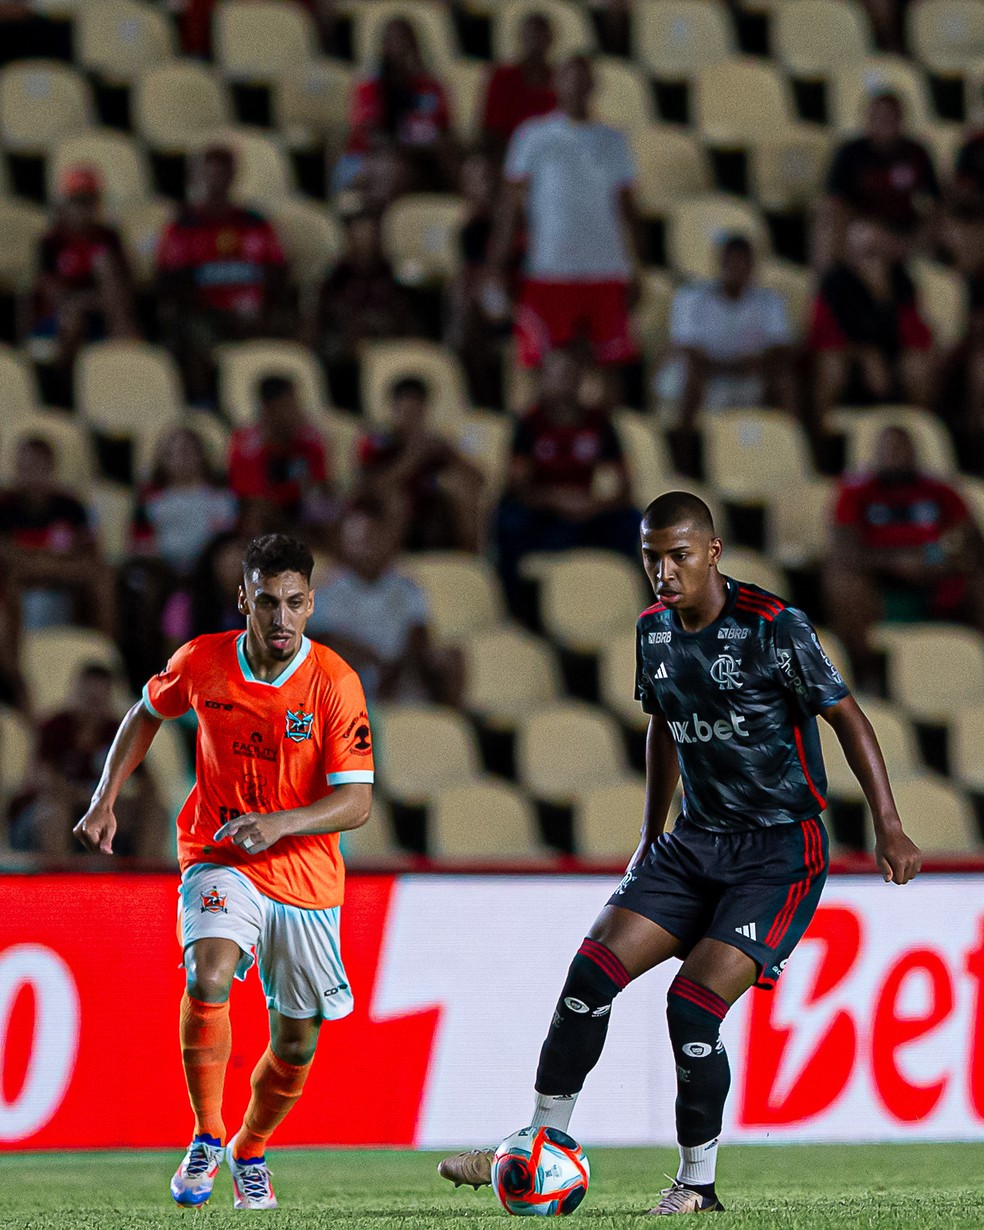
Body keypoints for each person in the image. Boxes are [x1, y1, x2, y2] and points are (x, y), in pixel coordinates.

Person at [438, 490, 921, 1214]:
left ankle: (696, 1185)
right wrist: (648, 834)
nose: (663, 572)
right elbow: (663, 727)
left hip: (777, 854)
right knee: (587, 978)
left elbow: (846, 716)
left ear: (714, 553)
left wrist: (888, 822)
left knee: (691, 1007)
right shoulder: (652, 633)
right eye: (651, 557)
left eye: (679, 556)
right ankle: (539, 1142)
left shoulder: (773, 625)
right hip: (690, 844)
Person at [74, 534, 374, 1210]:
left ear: (311, 604)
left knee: (296, 1042)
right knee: (208, 972)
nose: (280, 619)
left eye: (294, 604)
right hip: (219, 852)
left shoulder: (334, 682)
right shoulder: (203, 662)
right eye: (266, 602)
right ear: (243, 599)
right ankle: (207, 1134)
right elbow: (145, 713)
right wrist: (104, 799)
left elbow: (357, 801)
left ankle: (250, 1147)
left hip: (304, 874)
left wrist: (279, 824)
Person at [489, 55, 642, 380]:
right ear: (555, 83)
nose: (576, 85)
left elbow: (628, 209)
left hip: (606, 271)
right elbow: (511, 206)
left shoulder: (614, 141)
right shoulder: (532, 136)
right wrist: (498, 262)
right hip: (549, 270)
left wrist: (637, 266)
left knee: (606, 373)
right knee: (541, 370)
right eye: (568, 77)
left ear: (594, 86)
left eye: (583, 78)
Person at [824, 424, 984, 687]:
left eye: (904, 448)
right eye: (890, 449)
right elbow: (845, 550)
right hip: (878, 581)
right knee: (841, 580)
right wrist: (895, 562)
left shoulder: (940, 491)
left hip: (936, 576)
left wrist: (937, 562)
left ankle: (974, 669)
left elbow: (973, 543)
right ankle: (866, 676)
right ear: (875, 455)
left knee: (978, 581)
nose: (898, 455)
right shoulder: (856, 492)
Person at [494, 346, 638, 609]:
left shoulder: (599, 423)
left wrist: (596, 505)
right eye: (555, 374)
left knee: (636, 522)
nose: (562, 381)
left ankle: (640, 604)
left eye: (569, 374)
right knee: (509, 521)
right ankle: (513, 607)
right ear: (543, 379)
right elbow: (515, 488)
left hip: (589, 513)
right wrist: (556, 499)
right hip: (544, 516)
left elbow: (624, 485)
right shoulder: (528, 425)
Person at [156, 146, 291, 404]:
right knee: (192, 335)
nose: (216, 181)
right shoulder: (184, 226)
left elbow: (278, 273)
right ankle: (205, 403)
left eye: (222, 173)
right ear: (198, 177)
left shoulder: (256, 223)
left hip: (255, 313)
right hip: (204, 314)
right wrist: (219, 312)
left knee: (289, 327)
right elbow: (169, 283)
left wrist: (258, 308)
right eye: (210, 174)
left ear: (233, 175)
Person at [8, 663, 167, 862]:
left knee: (155, 812)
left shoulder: (118, 732)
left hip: (96, 815)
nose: (92, 708)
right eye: (88, 699)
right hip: (42, 821)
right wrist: (92, 800)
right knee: (55, 813)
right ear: (74, 694)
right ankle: (58, 886)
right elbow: (41, 781)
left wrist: (119, 805)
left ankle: (145, 884)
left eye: (99, 701)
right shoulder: (55, 728)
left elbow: (148, 784)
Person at [308, 503, 462, 705]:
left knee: (451, 656)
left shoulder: (406, 587)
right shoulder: (326, 591)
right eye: (355, 541)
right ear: (342, 545)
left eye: (369, 538)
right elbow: (320, 643)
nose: (363, 548)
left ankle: (446, 723)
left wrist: (396, 667)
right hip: (351, 683)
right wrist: (374, 661)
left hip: (402, 676)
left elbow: (419, 635)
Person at [659, 235, 797, 431]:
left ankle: (787, 444)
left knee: (784, 378)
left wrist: (742, 366)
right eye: (731, 262)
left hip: (747, 377)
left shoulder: (769, 301)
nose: (737, 268)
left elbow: (780, 348)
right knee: (691, 372)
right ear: (720, 264)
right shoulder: (691, 298)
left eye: (743, 262)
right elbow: (688, 349)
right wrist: (736, 365)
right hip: (705, 378)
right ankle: (684, 453)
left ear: (752, 267)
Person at [808, 219, 935, 426]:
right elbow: (822, 337)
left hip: (892, 361)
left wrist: (882, 297)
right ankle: (821, 443)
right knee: (832, 368)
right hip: (849, 363)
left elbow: (916, 336)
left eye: (878, 252)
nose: (875, 261)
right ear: (851, 255)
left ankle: (917, 431)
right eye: (867, 253)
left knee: (918, 367)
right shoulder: (833, 283)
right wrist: (863, 354)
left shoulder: (900, 281)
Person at [0, 436, 116, 638]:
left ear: (52, 469)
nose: (34, 474)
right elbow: (6, 552)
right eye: (28, 467)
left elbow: (89, 546)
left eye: (40, 466)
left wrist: (50, 561)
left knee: (104, 575)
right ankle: (15, 662)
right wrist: (42, 559)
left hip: (65, 570)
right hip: (22, 573)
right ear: (18, 469)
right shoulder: (5, 505)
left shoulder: (70, 505)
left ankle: (104, 648)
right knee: (11, 578)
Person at [29, 165, 137, 379]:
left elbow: (125, 288)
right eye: (77, 202)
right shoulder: (51, 243)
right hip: (57, 319)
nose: (83, 210)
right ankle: (65, 388)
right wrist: (92, 301)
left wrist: (96, 300)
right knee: (73, 319)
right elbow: (55, 297)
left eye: (89, 202)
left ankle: (126, 382)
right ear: (64, 205)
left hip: (103, 314)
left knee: (122, 316)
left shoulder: (108, 237)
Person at [356, 376, 485, 551]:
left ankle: (470, 559)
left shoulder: (434, 445)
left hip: (429, 519)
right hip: (385, 519)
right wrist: (413, 457)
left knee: (460, 487)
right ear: (394, 410)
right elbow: (368, 489)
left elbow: (478, 480)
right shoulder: (378, 443)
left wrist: (453, 455)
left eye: (417, 413)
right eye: (407, 412)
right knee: (396, 500)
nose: (412, 420)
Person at [815, 92, 940, 268]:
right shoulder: (850, 152)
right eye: (879, 117)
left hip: (905, 232)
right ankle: (827, 286)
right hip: (860, 226)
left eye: (891, 117)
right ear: (868, 121)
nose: (885, 123)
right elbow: (834, 200)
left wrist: (918, 235)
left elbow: (934, 201)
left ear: (901, 120)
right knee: (829, 217)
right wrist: (869, 227)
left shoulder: (917, 153)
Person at [308, 206, 416, 409]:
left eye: (371, 234)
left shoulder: (396, 281)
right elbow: (315, 334)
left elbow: (409, 329)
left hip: (390, 359)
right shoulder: (331, 284)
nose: (365, 241)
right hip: (344, 367)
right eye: (358, 234)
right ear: (347, 239)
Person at [335, 17, 457, 193]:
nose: (400, 49)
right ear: (383, 47)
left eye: (405, 42)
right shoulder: (370, 86)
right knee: (393, 171)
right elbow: (373, 139)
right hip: (363, 160)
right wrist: (413, 147)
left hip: (420, 159)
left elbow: (445, 133)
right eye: (393, 42)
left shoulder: (430, 87)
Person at [227, 376, 338, 541]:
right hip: (266, 517)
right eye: (288, 405)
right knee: (258, 516)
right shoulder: (246, 446)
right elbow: (253, 501)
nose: (297, 411)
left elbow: (321, 487)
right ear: (269, 409)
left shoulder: (309, 439)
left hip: (300, 510)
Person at [481, 11, 556, 157]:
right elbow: (491, 128)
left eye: (540, 36)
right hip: (509, 154)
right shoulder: (503, 76)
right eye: (530, 36)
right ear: (521, 39)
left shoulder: (559, 79)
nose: (535, 42)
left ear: (550, 40)